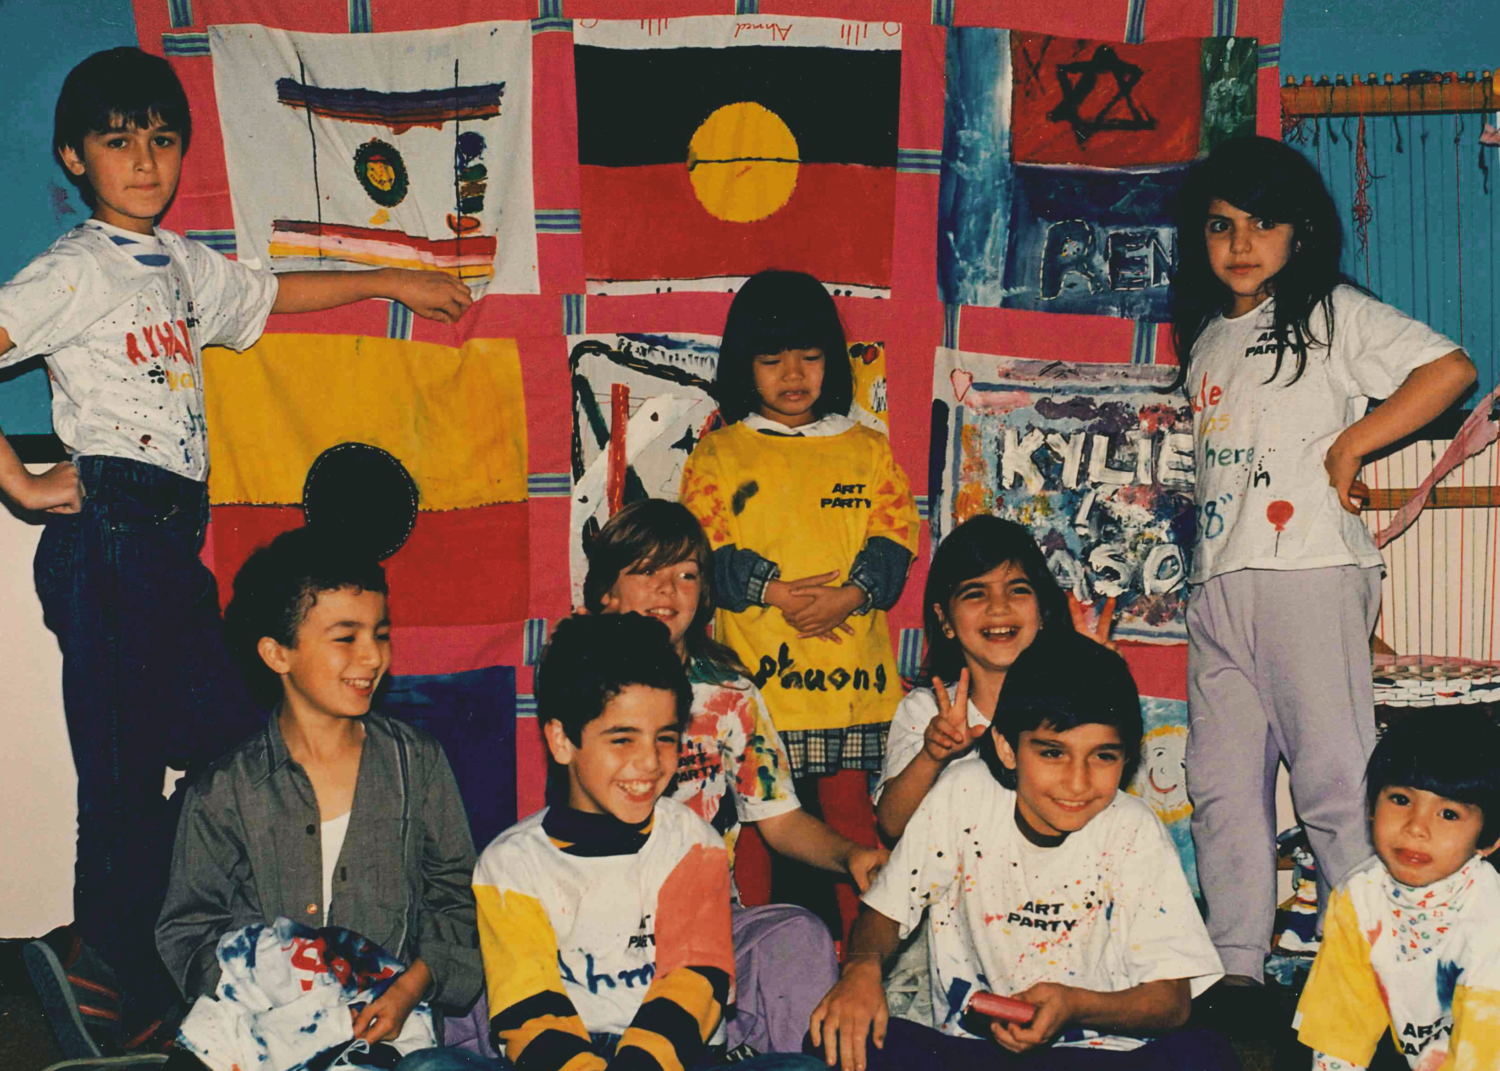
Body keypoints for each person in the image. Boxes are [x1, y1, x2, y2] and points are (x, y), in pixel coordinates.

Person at [7, 46, 474, 1050]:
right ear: (74, 156)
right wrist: (19, 479)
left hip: (172, 544)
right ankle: (103, 976)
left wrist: (394, 277)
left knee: (235, 752)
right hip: (110, 539)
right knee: (124, 777)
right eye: (118, 141)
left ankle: (129, 944)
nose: (144, 160)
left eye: (162, 141)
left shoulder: (178, 263)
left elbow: (274, 294)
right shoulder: (76, 266)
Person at [1169, 135, 1477, 991]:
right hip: (1219, 589)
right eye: (1221, 225)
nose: (1239, 243)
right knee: (1222, 787)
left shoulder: (1328, 311)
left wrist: (1353, 444)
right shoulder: (1203, 342)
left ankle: (1380, 976)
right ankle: (1233, 973)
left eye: (1263, 223)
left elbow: (1449, 368)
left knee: (1335, 784)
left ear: (1300, 232)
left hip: (1306, 574)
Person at [807, 629, 1234, 1071]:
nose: (1077, 781)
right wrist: (861, 971)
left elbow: (1171, 1003)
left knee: (1204, 1055)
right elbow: (885, 911)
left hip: (1097, 1059)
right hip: (976, 1055)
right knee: (835, 1038)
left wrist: (1075, 1006)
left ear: (1127, 757)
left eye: (1103, 756)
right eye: (1053, 753)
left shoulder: (1132, 829)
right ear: (1008, 748)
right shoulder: (964, 794)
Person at [154, 526, 483, 1066]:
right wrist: (268, 993)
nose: (373, 657)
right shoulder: (224, 791)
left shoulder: (416, 763)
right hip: (257, 1031)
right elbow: (188, 928)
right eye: (345, 637)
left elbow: (457, 899)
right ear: (277, 654)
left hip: (386, 1028)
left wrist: (409, 988)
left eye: (380, 633)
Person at [583, 498, 886, 1055]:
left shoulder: (729, 695)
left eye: (686, 575)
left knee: (797, 934)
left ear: (703, 597)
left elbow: (780, 818)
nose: (668, 590)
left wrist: (851, 856)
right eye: (646, 571)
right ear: (606, 592)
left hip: (710, 926)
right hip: (594, 922)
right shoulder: (576, 684)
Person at [458, 614, 822, 1071]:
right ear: (562, 740)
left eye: (665, 738)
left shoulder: (693, 844)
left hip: (674, 1057)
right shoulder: (510, 865)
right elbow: (529, 1011)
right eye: (622, 739)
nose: (649, 762)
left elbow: (694, 981)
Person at [677, 269, 918, 923]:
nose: (793, 373)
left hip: (850, 688)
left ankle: (859, 966)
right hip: (754, 690)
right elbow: (706, 554)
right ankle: (741, 961)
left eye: (810, 356)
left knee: (853, 831)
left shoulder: (867, 449)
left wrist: (850, 596)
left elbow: (896, 541)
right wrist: (774, 591)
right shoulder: (718, 453)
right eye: (772, 358)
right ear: (743, 365)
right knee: (754, 828)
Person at [873, 514, 1109, 841]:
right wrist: (932, 756)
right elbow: (891, 824)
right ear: (945, 620)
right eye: (975, 593)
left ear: (1042, 611)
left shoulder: (1074, 702)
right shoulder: (926, 711)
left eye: (1018, 590)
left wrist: (1097, 681)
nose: (999, 607)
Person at [1293, 710, 1500, 1070]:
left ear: (1489, 840)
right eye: (1401, 800)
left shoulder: (1489, 915)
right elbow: (1341, 1022)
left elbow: (1481, 1051)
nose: (1416, 827)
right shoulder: (1360, 895)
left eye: (1448, 814)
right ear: (1371, 806)